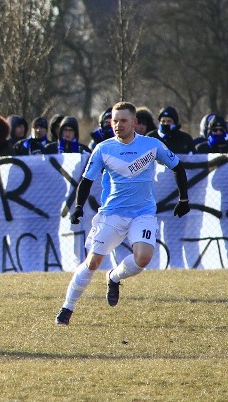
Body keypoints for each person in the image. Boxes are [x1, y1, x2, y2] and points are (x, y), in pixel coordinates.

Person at [55, 102, 190, 326]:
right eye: (114, 121)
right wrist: (78, 206)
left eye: (123, 120)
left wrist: (184, 199)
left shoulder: (152, 145)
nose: (118, 125)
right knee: (93, 262)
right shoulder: (103, 148)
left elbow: (178, 167)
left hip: (143, 214)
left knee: (143, 258)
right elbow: (87, 180)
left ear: (135, 123)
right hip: (112, 214)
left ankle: (114, 277)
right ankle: (67, 308)